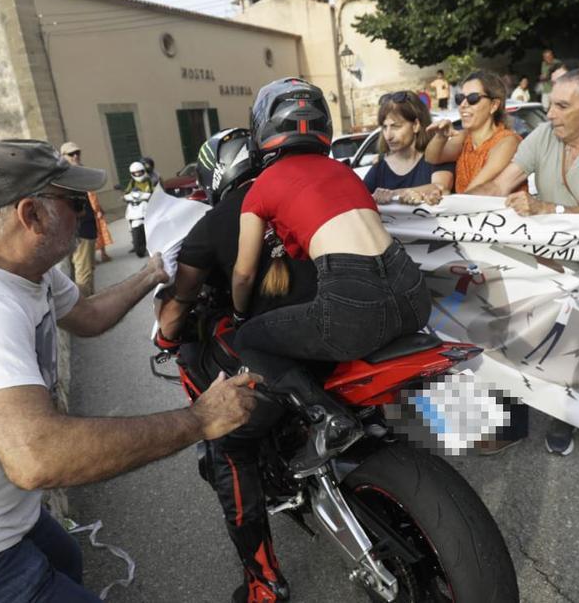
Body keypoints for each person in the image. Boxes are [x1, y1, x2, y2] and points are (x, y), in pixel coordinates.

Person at [0, 139, 257, 602]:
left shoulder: (24, 267)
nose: (84, 214)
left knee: (67, 560)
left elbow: (89, 316)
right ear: (31, 215)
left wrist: (151, 274)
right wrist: (199, 420)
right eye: (73, 202)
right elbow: (38, 457)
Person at [232, 77, 432, 477]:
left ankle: (327, 419)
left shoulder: (261, 187)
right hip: (413, 292)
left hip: (354, 304)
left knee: (249, 339)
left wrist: (240, 314)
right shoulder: (345, 173)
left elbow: (244, 272)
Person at [157, 128, 318, 602]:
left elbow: (175, 309)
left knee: (228, 442)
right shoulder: (307, 188)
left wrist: (168, 334)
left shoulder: (212, 225)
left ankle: (263, 581)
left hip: (284, 348)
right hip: (344, 325)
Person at [472, 67, 579, 455]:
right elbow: (499, 185)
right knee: (564, 346)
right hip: (553, 267)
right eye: (551, 104)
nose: (550, 114)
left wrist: (550, 208)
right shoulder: (544, 135)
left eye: (562, 106)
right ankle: (566, 418)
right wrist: (448, 202)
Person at [423, 70, 522, 193]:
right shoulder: (464, 137)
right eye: (460, 98)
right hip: (465, 209)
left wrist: (448, 202)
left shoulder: (508, 141)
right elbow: (431, 158)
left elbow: (475, 189)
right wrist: (440, 136)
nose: (463, 104)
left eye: (473, 98)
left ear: (494, 105)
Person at [365, 91, 454, 206]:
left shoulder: (437, 157)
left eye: (395, 126)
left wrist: (393, 194)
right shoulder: (379, 168)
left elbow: (441, 187)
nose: (388, 136)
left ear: (416, 125)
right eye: (384, 127)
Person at [61, 142, 112, 297]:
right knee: (83, 272)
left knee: (84, 270)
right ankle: (87, 307)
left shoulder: (77, 174)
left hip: (84, 228)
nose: (76, 156)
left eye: (78, 152)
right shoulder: (66, 177)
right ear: (63, 157)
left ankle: (87, 303)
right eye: (71, 154)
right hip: (79, 230)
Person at [123, 160, 154, 256]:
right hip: (136, 203)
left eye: (139, 172)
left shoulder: (149, 180)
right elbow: (127, 191)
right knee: (129, 218)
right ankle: (135, 243)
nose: (137, 174)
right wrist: (125, 195)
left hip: (148, 203)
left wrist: (151, 194)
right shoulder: (132, 182)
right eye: (135, 173)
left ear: (143, 171)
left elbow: (153, 190)